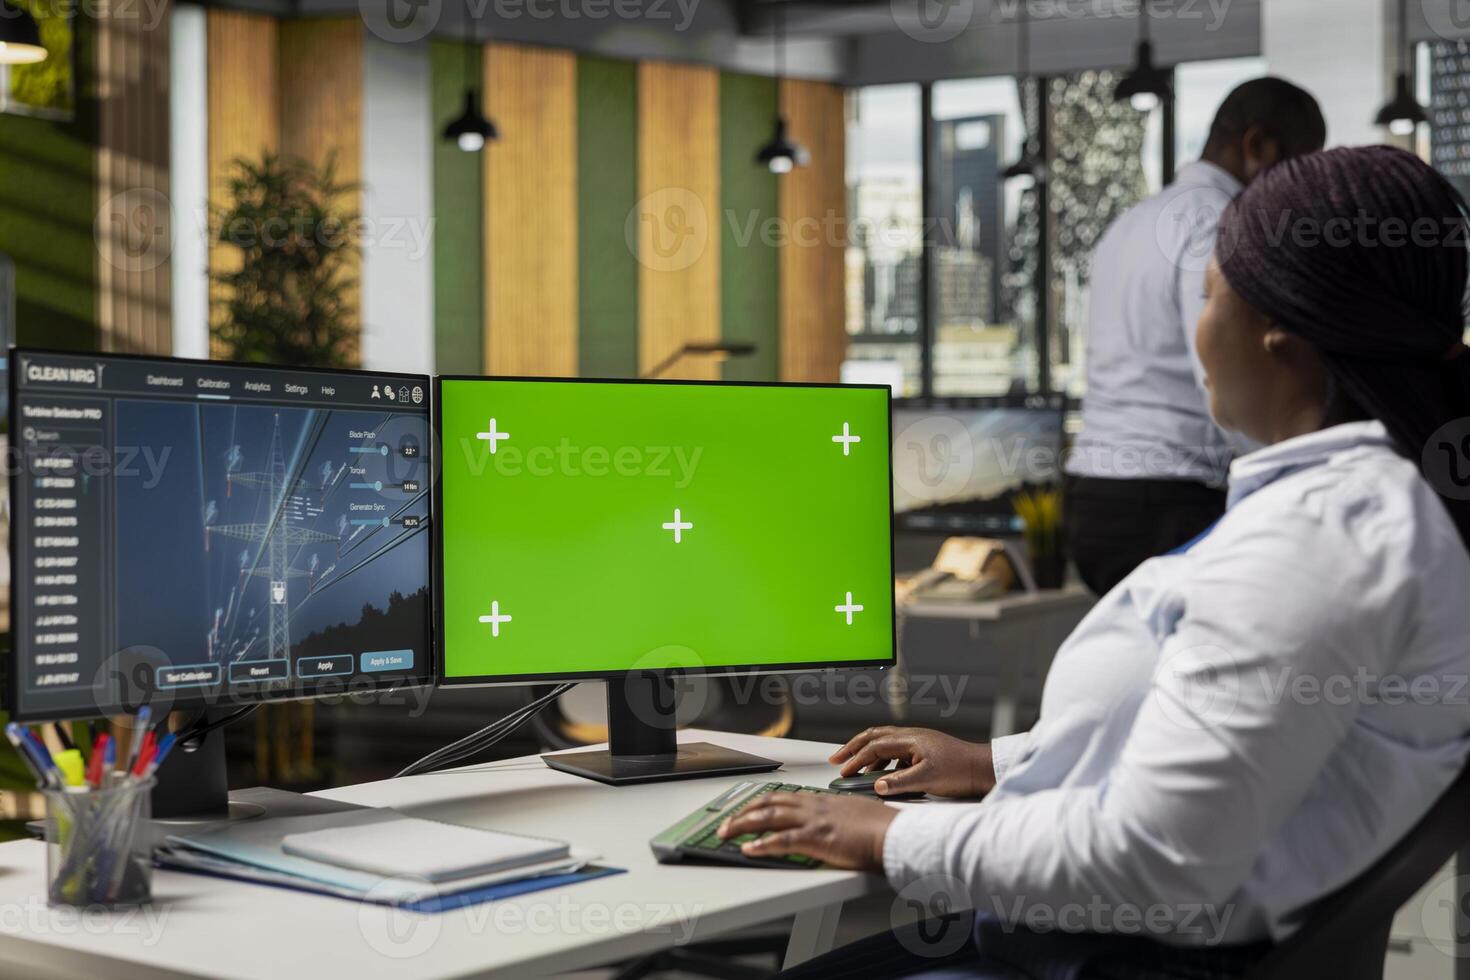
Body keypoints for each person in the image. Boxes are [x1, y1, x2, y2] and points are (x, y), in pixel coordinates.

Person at [719, 145, 1470, 978]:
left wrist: (888, 835)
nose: (1196, 331)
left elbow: (1157, 858)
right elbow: (1219, 736)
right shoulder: (1365, 502)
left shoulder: (1321, 538)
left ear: (1276, 330)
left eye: (1208, 294)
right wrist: (994, 763)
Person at [1064, 78, 1326, 595]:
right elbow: (1225, 373)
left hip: (1093, 498)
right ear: (1257, 147)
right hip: (1170, 502)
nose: (1293, 192)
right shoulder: (1221, 223)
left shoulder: (1132, 221)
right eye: (1294, 166)